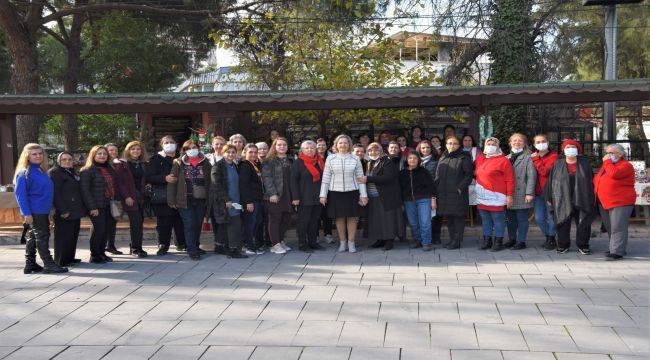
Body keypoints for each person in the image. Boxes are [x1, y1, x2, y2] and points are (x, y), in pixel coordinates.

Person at [14, 143, 67, 274]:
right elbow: (20, 195)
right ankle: (49, 264)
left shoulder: (40, 171)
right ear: (27, 156)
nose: (38, 156)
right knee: (42, 237)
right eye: (34, 154)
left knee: (33, 236)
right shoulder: (24, 173)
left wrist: (49, 210)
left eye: (40, 153)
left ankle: (30, 264)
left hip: (43, 210)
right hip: (34, 211)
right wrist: (26, 214)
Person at [543, 139, 595, 255]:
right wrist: (550, 198)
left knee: (583, 222)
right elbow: (551, 182)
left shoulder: (585, 163)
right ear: (563, 150)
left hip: (582, 197)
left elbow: (592, 182)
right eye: (567, 147)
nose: (570, 149)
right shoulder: (558, 164)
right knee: (562, 222)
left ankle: (583, 245)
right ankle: (562, 245)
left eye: (573, 146)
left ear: (578, 149)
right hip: (562, 197)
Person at [320, 134, 368, 253]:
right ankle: (342, 242)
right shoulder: (330, 158)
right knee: (339, 218)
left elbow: (360, 178)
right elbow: (326, 178)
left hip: (352, 192)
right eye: (340, 143)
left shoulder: (355, 158)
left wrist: (364, 195)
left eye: (345, 143)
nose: (343, 145)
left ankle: (351, 243)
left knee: (352, 218)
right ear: (336, 145)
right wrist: (323, 195)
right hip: (335, 192)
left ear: (349, 145)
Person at [167, 140, 211, 260]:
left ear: (198, 148)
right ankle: (192, 250)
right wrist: (171, 200)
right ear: (184, 150)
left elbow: (210, 181)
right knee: (189, 224)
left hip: (201, 199)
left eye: (194, 147)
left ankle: (195, 245)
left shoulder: (206, 162)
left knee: (197, 224)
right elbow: (172, 182)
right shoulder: (178, 162)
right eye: (188, 148)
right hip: (185, 199)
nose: (192, 149)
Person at [594, 144, 636, 261]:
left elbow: (614, 174)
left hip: (620, 201)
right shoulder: (608, 165)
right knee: (610, 226)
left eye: (611, 153)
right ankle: (615, 248)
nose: (608, 156)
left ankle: (617, 251)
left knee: (618, 226)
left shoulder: (625, 165)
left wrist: (607, 162)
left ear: (620, 154)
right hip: (605, 201)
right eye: (607, 153)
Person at [80, 145, 121, 264]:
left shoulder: (110, 168)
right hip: (97, 206)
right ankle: (95, 255)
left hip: (109, 204)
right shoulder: (87, 170)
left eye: (104, 154)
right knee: (99, 229)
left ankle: (102, 253)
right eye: (99, 154)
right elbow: (85, 191)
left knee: (106, 230)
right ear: (93, 155)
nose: (102, 156)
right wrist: (92, 207)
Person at [146, 135, 186, 255]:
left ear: (176, 144)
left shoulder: (182, 158)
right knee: (164, 222)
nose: (169, 144)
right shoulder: (155, 159)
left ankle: (181, 243)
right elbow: (149, 177)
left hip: (180, 194)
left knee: (180, 220)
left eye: (171, 142)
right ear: (161, 145)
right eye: (166, 142)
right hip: (162, 195)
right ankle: (163, 244)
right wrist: (164, 178)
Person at [357, 143, 401, 250]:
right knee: (376, 220)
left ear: (381, 151)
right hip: (372, 196)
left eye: (376, 150)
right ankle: (380, 240)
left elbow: (388, 177)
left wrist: (368, 179)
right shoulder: (368, 163)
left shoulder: (386, 161)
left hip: (385, 196)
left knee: (387, 220)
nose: (373, 152)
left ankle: (389, 241)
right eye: (370, 150)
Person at [475, 137, 514, 252]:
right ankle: (487, 241)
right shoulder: (480, 158)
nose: (490, 146)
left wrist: (509, 195)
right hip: (482, 195)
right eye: (488, 143)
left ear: (498, 146)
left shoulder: (503, 160)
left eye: (493, 144)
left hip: (497, 196)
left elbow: (510, 179)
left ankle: (498, 242)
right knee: (485, 219)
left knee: (498, 220)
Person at [434, 136, 474, 249]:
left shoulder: (464, 157)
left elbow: (468, 176)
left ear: (459, 145)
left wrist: (460, 188)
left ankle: (457, 241)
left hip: (457, 194)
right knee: (450, 218)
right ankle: (452, 239)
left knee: (458, 218)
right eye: (450, 143)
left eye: (455, 143)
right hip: (444, 193)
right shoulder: (443, 157)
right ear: (446, 145)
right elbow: (437, 175)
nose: (452, 145)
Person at [49, 151, 85, 267]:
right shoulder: (55, 172)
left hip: (74, 209)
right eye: (64, 159)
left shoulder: (71, 172)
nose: (67, 161)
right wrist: (63, 210)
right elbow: (55, 193)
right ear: (58, 161)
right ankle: (61, 260)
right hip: (64, 211)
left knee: (72, 235)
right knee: (63, 237)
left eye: (69, 159)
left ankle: (70, 258)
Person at [212, 144, 248, 259]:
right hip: (226, 201)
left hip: (236, 199)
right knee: (234, 224)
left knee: (227, 224)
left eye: (233, 152)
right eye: (228, 152)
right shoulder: (218, 166)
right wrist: (226, 200)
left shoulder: (234, 165)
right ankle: (233, 250)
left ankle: (220, 246)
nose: (231, 154)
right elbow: (216, 185)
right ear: (223, 153)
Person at [114, 141, 148, 258]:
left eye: (138, 149)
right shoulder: (122, 164)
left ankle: (138, 247)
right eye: (132, 149)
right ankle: (135, 248)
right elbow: (120, 182)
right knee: (136, 222)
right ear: (128, 151)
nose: (135, 151)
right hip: (130, 197)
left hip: (141, 197)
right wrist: (127, 196)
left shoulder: (143, 163)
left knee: (140, 223)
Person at [291, 140, 326, 252]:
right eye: (307, 148)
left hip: (318, 196)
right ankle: (302, 244)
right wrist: (295, 197)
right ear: (302, 150)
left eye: (312, 148)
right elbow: (293, 181)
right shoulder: (298, 162)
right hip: (303, 197)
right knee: (303, 221)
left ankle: (313, 242)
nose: (310, 150)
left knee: (314, 221)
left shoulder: (320, 161)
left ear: (315, 149)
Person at [505, 133, 537, 250]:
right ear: (510, 143)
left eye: (520, 141)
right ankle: (512, 239)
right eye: (514, 141)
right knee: (510, 219)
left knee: (522, 218)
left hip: (522, 193)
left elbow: (532, 177)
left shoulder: (528, 157)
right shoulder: (506, 157)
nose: (517, 143)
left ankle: (521, 241)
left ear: (524, 143)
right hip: (509, 193)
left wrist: (529, 193)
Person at [262, 137, 294, 254]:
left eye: (284, 145)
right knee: (275, 219)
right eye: (279, 145)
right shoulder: (269, 160)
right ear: (274, 147)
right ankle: (275, 244)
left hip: (288, 194)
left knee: (286, 219)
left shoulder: (290, 160)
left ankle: (280, 240)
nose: (282, 147)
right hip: (275, 195)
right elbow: (267, 178)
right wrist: (272, 193)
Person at [400, 152, 437, 251]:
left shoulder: (424, 171)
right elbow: (400, 189)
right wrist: (401, 202)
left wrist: (433, 200)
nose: (412, 160)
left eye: (415, 158)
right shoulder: (402, 173)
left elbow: (432, 186)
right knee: (413, 223)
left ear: (418, 160)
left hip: (424, 199)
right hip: (408, 201)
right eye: (410, 158)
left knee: (425, 222)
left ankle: (426, 242)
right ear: (407, 160)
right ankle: (417, 240)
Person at [530, 134, 559, 250]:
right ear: (534, 144)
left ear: (548, 142)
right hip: (537, 193)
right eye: (538, 142)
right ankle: (549, 236)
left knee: (551, 217)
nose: (540, 143)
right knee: (539, 218)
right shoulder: (533, 157)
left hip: (550, 192)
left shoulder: (554, 156)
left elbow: (544, 172)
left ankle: (551, 238)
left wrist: (535, 159)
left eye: (543, 141)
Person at [239, 144, 265, 255]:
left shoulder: (255, 164)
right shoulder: (244, 165)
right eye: (250, 152)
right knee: (250, 223)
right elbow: (243, 186)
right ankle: (249, 245)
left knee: (257, 221)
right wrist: (248, 202)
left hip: (258, 198)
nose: (253, 154)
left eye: (255, 152)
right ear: (245, 153)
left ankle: (254, 244)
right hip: (250, 200)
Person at [418, 140, 442, 245]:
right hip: (420, 193)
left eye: (427, 147)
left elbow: (438, 178)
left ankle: (436, 236)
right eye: (423, 148)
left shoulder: (436, 161)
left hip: (434, 191)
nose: (425, 150)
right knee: (423, 216)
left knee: (436, 215)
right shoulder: (415, 160)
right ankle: (424, 237)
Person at [103, 143, 122, 255]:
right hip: (104, 198)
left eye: (115, 150)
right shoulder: (103, 165)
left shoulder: (119, 164)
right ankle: (100, 247)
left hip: (115, 198)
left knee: (113, 222)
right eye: (110, 150)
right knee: (101, 224)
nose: (113, 152)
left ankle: (111, 245)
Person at [316, 138, 334, 244]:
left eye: (323, 145)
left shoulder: (331, 157)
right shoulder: (313, 158)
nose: (321, 147)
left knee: (327, 214)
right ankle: (316, 235)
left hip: (330, 189)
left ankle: (328, 234)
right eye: (319, 145)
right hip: (316, 189)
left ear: (326, 146)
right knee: (317, 214)